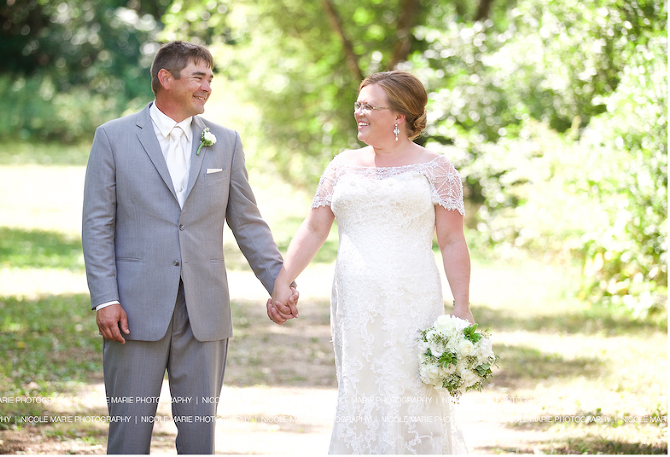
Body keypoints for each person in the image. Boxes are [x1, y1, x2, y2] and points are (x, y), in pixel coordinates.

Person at [82, 40, 297, 454]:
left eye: (210, 79)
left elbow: (248, 222)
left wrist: (279, 281)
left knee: (200, 438)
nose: (207, 87)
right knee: (128, 435)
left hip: (205, 310)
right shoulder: (113, 137)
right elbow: (97, 224)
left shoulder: (225, 141)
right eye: (199, 77)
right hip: (133, 309)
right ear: (166, 78)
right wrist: (105, 297)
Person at [268, 71, 472, 454]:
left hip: (412, 297)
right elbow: (314, 228)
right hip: (354, 299)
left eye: (369, 106)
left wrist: (462, 305)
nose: (359, 113)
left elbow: (452, 239)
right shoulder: (343, 165)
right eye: (358, 105)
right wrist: (284, 279)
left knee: (412, 387)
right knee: (361, 385)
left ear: (399, 116)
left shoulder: (437, 168)